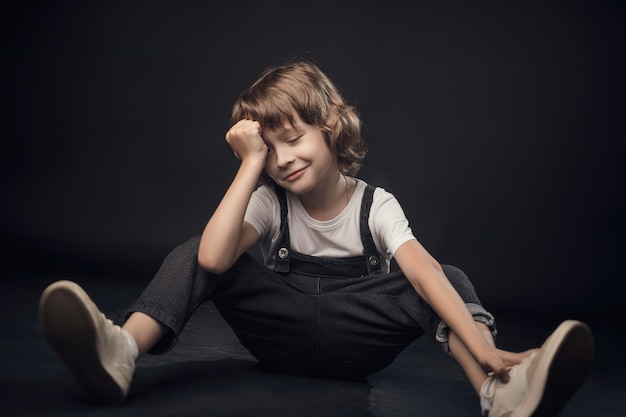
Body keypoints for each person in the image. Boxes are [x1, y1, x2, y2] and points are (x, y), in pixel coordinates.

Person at [39, 60, 594, 416]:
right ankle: (121, 352)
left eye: (293, 140)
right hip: (280, 335)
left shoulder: (377, 205)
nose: (284, 161)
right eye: (269, 150)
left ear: (330, 128)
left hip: (356, 346)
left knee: (441, 278)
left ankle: (497, 391)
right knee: (201, 250)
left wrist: (485, 349)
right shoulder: (267, 197)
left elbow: (422, 274)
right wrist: (249, 164)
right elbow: (212, 258)